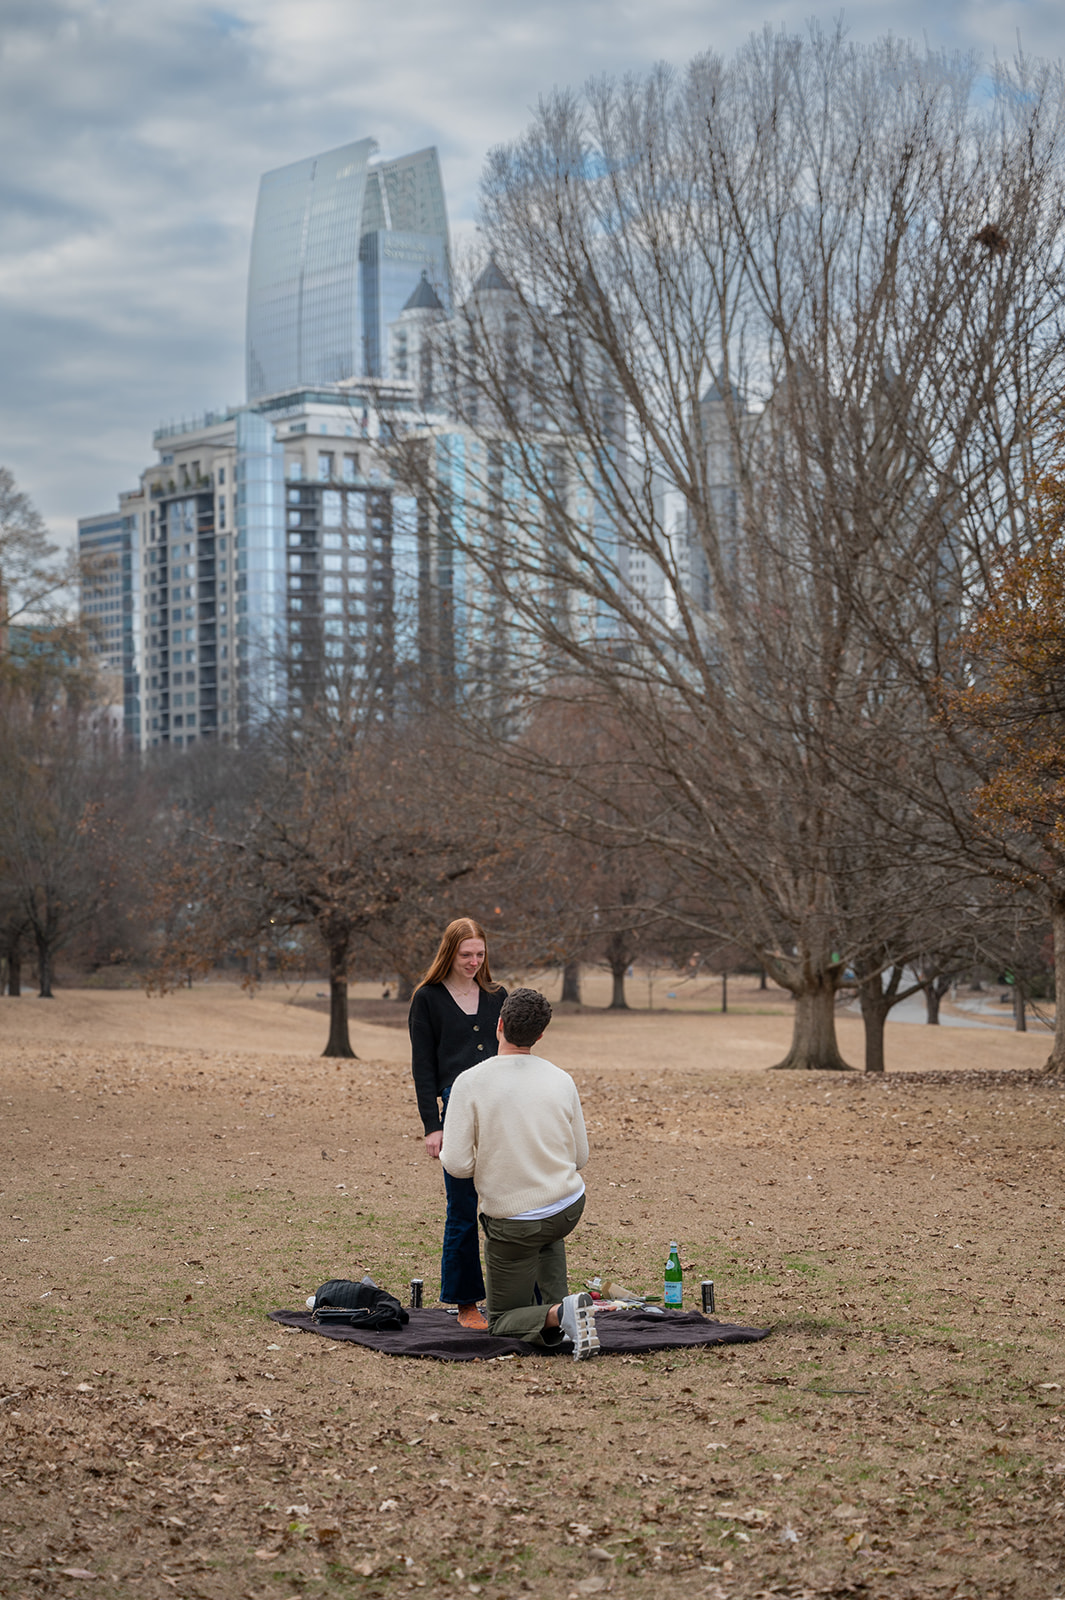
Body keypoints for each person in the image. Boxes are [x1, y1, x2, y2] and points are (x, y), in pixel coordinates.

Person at [440, 987, 598, 1360]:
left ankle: (562, 1312)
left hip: (515, 1222)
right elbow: (580, 1156)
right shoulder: (561, 1079)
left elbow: (459, 1165)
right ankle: (564, 1311)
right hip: (566, 1209)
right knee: (545, 1232)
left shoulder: (470, 1083)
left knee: (503, 1319)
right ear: (540, 1034)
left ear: (498, 1025)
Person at [409, 917, 507, 1330]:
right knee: (463, 1208)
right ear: (450, 953)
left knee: (512, 1205)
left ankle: (519, 1297)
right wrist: (434, 1126)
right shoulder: (427, 998)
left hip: (503, 1108)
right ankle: (466, 1301)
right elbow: (423, 1067)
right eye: (466, 954)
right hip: (457, 1111)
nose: (473, 961)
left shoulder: (498, 994)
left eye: (480, 954)